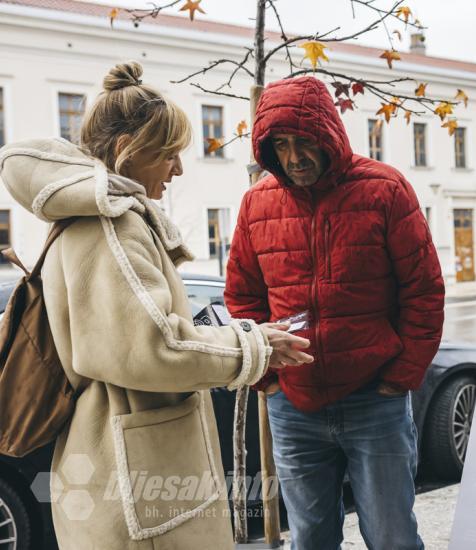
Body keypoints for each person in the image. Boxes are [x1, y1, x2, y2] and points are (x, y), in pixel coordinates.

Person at [0, 62, 312, 550]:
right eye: (169, 154)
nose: (179, 169)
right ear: (130, 151)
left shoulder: (90, 222)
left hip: (121, 467)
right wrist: (253, 345)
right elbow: (153, 347)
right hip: (135, 483)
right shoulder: (110, 228)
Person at [224, 76, 445, 549]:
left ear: (328, 134)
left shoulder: (384, 190)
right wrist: (267, 377)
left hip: (374, 399)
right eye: (280, 146)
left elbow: (423, 291)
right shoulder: (256, 203)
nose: (294, 158)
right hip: (294, 405)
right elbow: (242, 299)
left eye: (304, 142)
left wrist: (401, 376)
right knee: (310, 538)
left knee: (392, 537)